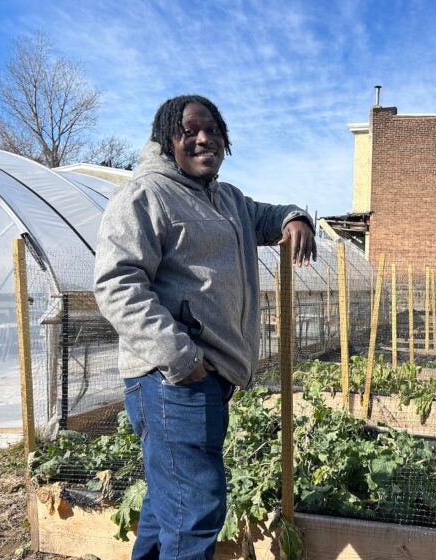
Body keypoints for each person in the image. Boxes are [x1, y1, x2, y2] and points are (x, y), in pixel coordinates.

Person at [93, 94, 316, 560]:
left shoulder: (227, 198)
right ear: (166, 137)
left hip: (203, 380)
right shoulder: (146, 195)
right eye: (189, 130)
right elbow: (117, 284)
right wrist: (182, 359)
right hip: (171, 380)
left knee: (166, 502)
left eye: (212, 129)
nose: (203, 138)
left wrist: (296, 217)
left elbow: (267, 217)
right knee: (195, 513)